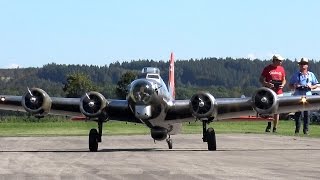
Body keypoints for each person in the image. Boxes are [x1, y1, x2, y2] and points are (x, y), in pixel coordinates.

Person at [289, 58, 319, 135]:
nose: (303, 65)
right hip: (298, 96)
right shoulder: (295, 75)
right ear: (299, 65)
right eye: (301, 64)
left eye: (304, 64)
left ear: (307, 65)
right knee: (298, 114)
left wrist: (311, 87)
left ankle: (306, 130)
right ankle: (297, 130)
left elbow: (316, 84)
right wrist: (295, 86)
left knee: (307, 114)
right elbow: (290, 85)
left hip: (308, 96)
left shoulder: (311, 75)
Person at [259, 54, 286, 133]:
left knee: (277, 111)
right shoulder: (267, 68)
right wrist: (267, 84)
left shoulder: (281, 69)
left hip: (279, 92)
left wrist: (283, 84)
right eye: (279, 61)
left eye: (281, 61)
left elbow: (284, 79)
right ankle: (269, 124)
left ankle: (275, 128)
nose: (281, 62)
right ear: (275, 60)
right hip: (269, 92)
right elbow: (261, 79)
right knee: (269, 109)